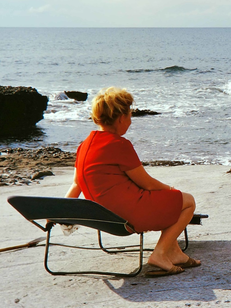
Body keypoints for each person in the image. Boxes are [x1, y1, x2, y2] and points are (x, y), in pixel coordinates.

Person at [64, 87, 200, 277]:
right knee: (187, 201)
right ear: (120, 118)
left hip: (106, 217)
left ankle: (174, 252)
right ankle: (160, 253)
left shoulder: (84, 146)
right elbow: (148, 184)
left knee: (166, 199)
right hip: (127, 216)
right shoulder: (119, 145)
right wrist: (172, 190)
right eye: (129, 115)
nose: (130, 120)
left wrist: (61, 212)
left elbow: (77, 185)